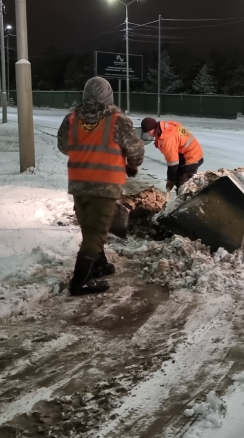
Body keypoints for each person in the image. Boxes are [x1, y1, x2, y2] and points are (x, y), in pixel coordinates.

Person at [57, 77, 144, 296]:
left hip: (78, 184)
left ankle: (99, 264)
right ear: (109, 95)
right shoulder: (117, 120)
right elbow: (136, 150)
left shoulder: (72, 118)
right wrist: (132, 165)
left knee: (89, 227)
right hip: (105, 185)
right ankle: (80, 281)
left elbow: (63, 146)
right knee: (97, 232)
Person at [140, 117, 204, 190]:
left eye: (147, 132)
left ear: (151, 130)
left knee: (182, 183)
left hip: (192, 157)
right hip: (189, 152)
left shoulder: (166, 140)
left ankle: (188, 199)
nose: (148, 134)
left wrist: (170, 181)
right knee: (179, 178)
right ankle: (192, 192)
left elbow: (173, 165)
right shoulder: (166, 126)